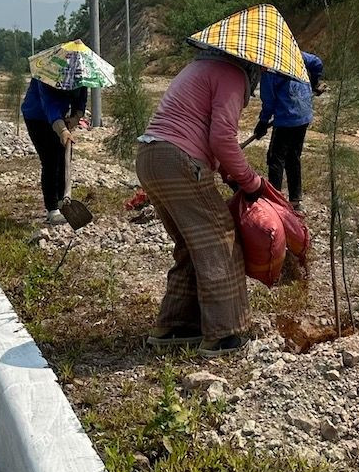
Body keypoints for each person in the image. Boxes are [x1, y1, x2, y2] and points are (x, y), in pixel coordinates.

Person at [136, 47, 268, 358]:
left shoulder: (201, 66)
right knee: (220, 240)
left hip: (151, 156)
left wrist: (227, 172)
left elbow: (201, 130)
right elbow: (222, 138)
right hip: (179, 159)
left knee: (189, 245)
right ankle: (226, 333)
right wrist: (251, 182)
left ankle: (176, 326)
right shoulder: (232, 74)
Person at [251, 51, 324, 212]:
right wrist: (314, 81)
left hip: (287, 118)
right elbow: (316, 61)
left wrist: (263, 122)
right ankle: (295, 200)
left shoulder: (269, 68)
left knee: (275, 158)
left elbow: (269, 102)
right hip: (303, 114)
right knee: (293, 156)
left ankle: (274, 201)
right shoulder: (294, 52)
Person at [20, 76, 89, 224]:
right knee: (50, 160)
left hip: (59, 116)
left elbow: (81, 98)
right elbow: (49, 105)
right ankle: (52, 209)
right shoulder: (45, 74)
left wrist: (76, 117)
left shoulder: (81, 74)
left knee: (64, 158)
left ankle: (62, 201)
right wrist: (62, 130)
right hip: (37, 116)